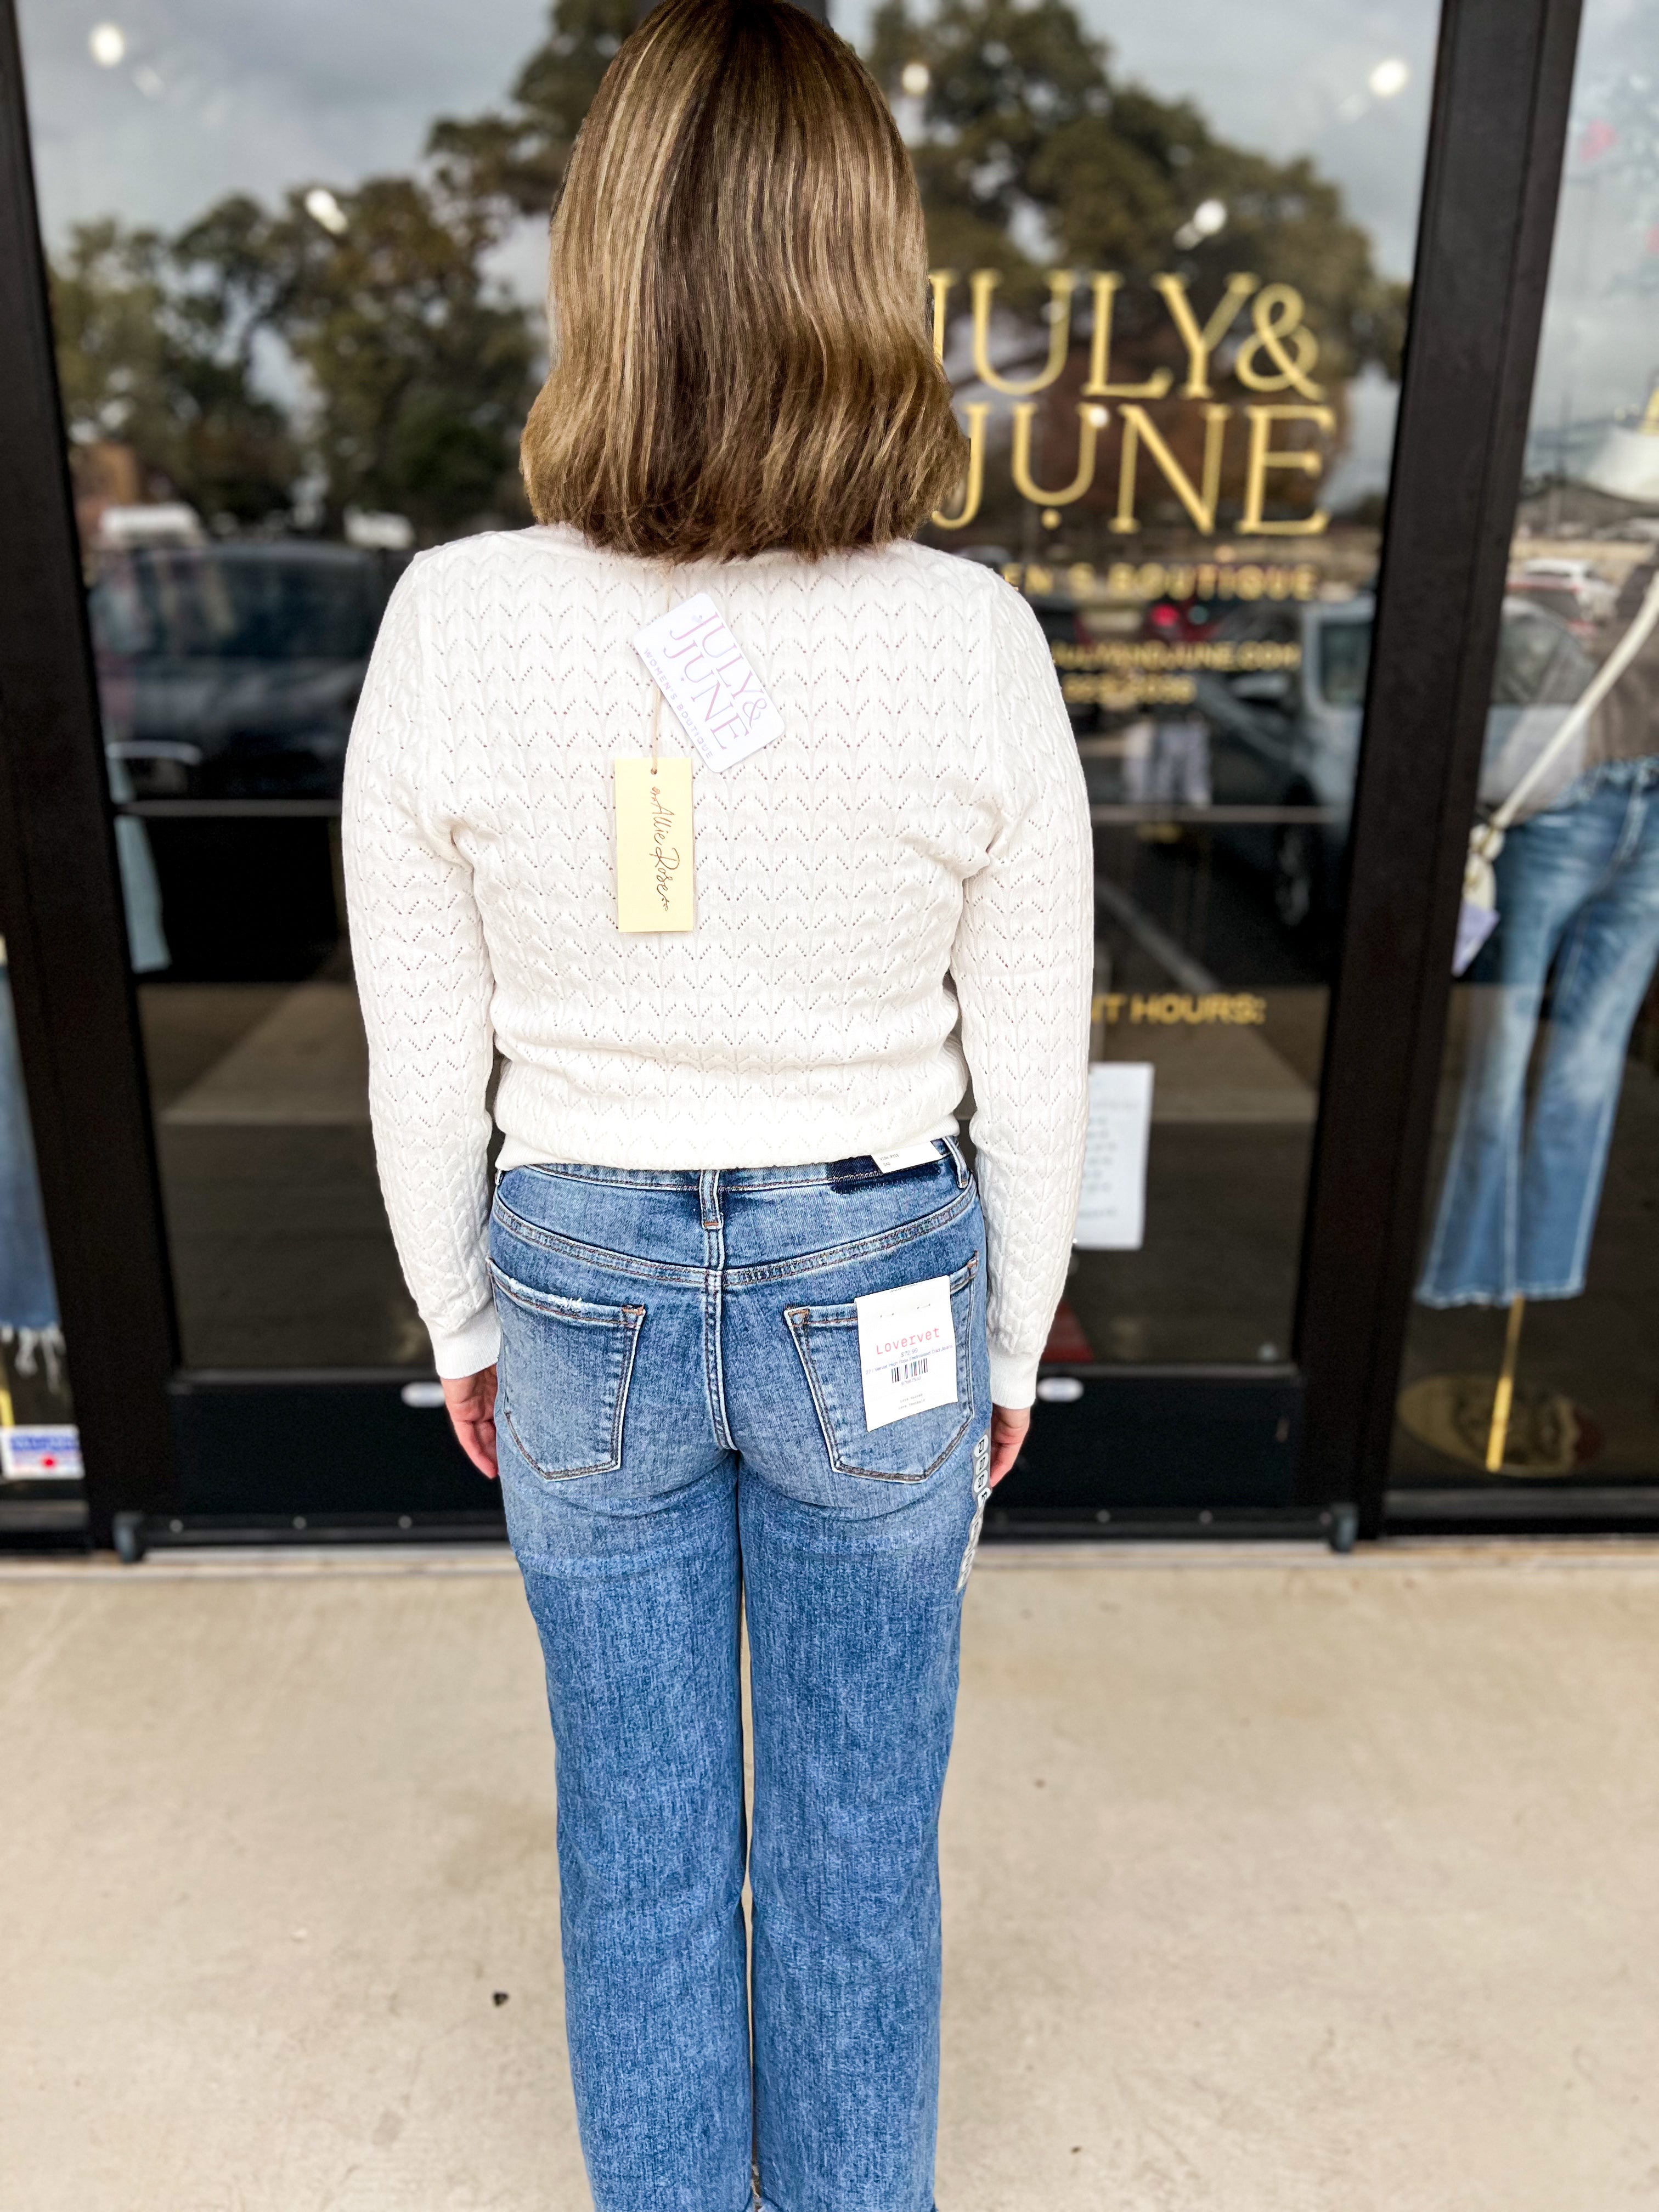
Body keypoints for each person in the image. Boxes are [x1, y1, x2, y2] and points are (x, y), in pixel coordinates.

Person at [342, 2, 1092, 2205]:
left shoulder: (453, 621)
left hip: (576, 1267)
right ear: (873, 283)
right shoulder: (970, 639)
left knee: (639, 1848)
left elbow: (421, 1047)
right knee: (863, 1851)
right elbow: (1033, 1042)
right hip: (881, 1270)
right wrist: (1013, 1331)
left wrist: (461, 1327)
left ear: (601, 270)